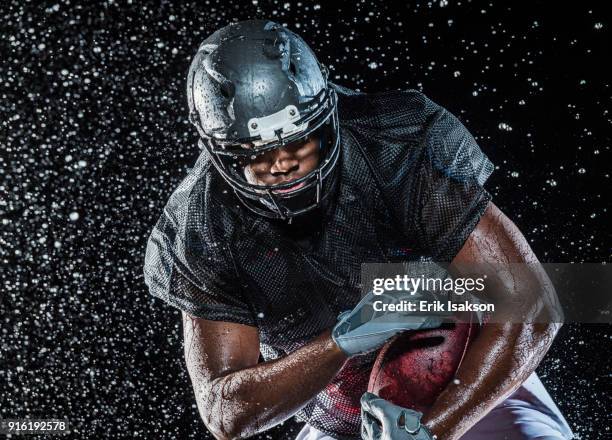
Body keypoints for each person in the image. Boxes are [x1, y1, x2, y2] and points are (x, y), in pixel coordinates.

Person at [143, 19, 574, 440]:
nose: (282, 163)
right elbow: (223, 413)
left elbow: (531, 306)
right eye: (255, 152)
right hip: (340, 419)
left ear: (326, 114)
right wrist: (342, 342)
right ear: (218, 152)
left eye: (297, 140)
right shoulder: (201, 226)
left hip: (468, 387)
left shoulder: (394, 145)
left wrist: (434, 431)